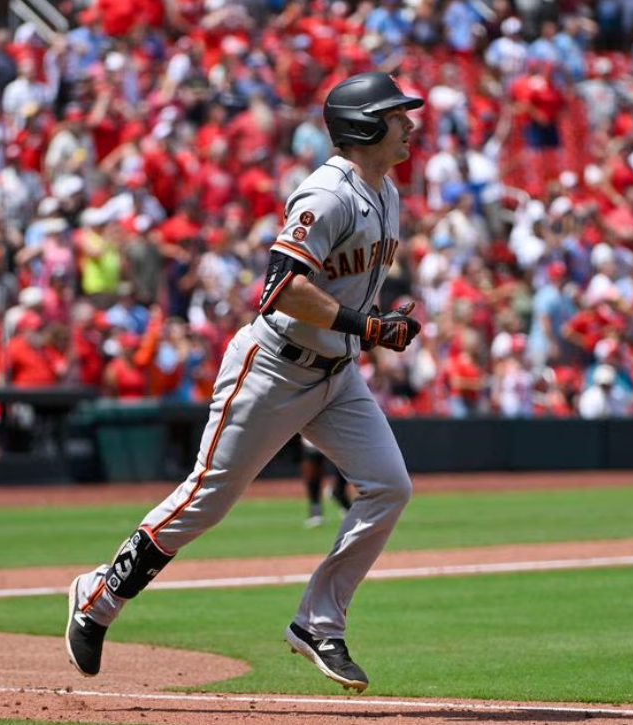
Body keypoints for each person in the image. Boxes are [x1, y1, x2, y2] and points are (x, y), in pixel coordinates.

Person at [65, 72, 424, 694]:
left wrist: (377, 322)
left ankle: (318, 622)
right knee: (207, 500)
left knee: (389, 486)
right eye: (397, 114)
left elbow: (342, 284)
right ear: (365, 125)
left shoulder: (384, 191)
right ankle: (98, 596)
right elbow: (278, 290)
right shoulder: (326, 193)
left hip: (336, 373)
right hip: (274, 367)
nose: (409, 124)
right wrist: (367, 326)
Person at [300, 434, 353, 528]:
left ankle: (339, 493)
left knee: (345, 462)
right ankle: (315, 508)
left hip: (338, 431)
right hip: (314, 429)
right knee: (313, 467)